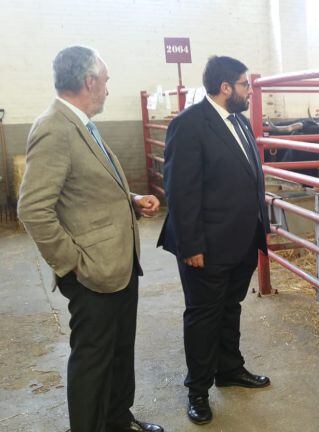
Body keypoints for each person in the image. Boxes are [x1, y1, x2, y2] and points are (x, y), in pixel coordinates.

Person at [17, 46, 162, 432]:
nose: (109, 90)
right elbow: (33, 209)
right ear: (89, 81)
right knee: (93, 360)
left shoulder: (82, 124)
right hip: (92, 273)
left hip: (118, 264)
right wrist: (73, 264)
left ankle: (117, 419)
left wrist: (131, 201)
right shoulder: (54, 128)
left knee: (119, 352)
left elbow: (85, 190)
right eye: (107, 81)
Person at [157, 55, 271, 425]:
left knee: (229, 307)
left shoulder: (238, 122)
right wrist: (191, 246)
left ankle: (229, 369)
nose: (249, 91)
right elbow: (180, 191)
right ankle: (198, 391)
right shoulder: (189, 125)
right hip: (205, 245)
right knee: (203, 315)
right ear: (225, 88)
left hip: (239, 239)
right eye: (244, 85)